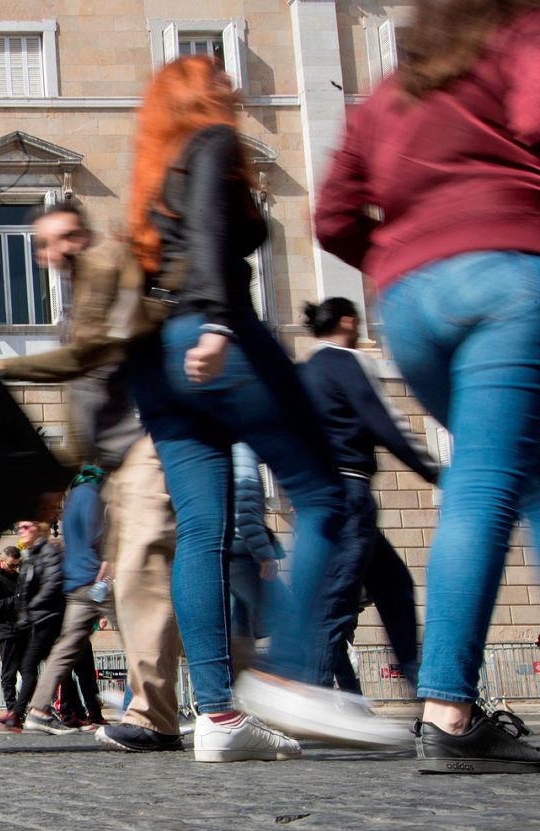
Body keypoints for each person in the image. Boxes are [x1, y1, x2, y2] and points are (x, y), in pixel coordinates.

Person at [124, 56, 400, 762]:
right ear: (205, 98)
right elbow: (216, 230)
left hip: (155, 362)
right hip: (215, 335)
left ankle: (218, 716)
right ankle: (291, 677)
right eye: (221, 79)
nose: (234, 88)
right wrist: (217, 321)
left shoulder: (152, 178)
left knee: (203, 531)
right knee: (325, 495)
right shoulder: (212, 144)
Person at [315, 0, 540, 773]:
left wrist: (398, 251)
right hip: (508, 272)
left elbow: (332, 213)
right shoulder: (523, 33)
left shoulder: (390, 89)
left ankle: (447, 702)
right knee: (487, 484)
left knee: (519, 476)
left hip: (410, 303)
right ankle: (446, 707)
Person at [0, 202, 187, 753]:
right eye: (47, 243)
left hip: (150, 440)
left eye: (62, 238)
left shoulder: (105, 266)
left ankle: (233, 689)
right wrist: (66, 474)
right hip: (116, 461)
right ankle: (190, 704)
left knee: (143, 575)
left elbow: (85, 359)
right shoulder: (83, 290)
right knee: (136, 585)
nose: (54, 252)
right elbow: (86, 396)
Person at [298, 297, 438, 692]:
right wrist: (434, 471)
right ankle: (313, 694)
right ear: (348, 321)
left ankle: (423, 686)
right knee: (338, 596)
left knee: (394, 583)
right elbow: (384, 421)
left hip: (324, 491)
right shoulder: (346, 361)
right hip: (349, 491)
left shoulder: (306, 371)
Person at [25, 470, 111, 735]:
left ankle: (38, 710)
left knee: (63, 650)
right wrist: (105, 573)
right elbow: (100, 539)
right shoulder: (93, 496)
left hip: (75, 586)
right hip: (97, 581)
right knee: (144, 638)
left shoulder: (71, 501)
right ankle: (143, 708)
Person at [228, 443, 282, 668]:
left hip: (229, 550)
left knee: (240, 627)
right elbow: (246, 508)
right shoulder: (242, 451)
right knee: (289, 621)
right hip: (242, 551)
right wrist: (264, 553)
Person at [7, 521, 64, 729]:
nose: (20, 531)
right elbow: (23, 588)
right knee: (58, 667)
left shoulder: (47, 551)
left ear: (38, 529)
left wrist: (31, 608)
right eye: (18, 528)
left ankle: (20, 714)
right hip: (39, 618)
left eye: (25, 527)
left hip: (49, 617)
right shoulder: (31, 555)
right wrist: (23, 613)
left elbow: (52, 583)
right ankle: (75, 712)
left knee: (30, 665)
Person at [0, 545, 27, 728]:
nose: (14, 569)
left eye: (17, 565)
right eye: (11, 565)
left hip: (23, 630)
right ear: (2, 561)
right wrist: (15, 601)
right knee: (9, 673)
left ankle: (30, 709)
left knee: (29, 671)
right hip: (6, 631)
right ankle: (12, 709)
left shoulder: (17, 577)